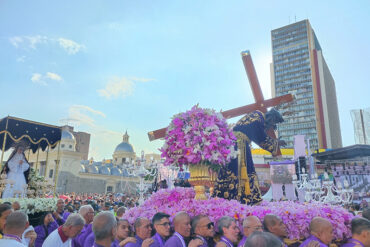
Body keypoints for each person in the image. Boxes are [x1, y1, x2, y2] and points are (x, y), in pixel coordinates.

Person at [214, 109, 286, 205]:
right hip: (240, 145)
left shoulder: (256, 114)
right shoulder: (259, 119)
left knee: (230, 170)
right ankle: (241, 198)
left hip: (232, 144)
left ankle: (224, 196)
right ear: (271, 118)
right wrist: (277, 143)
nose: (272, 125)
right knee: (245, 170)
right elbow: (261, 138)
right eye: (273, 122)